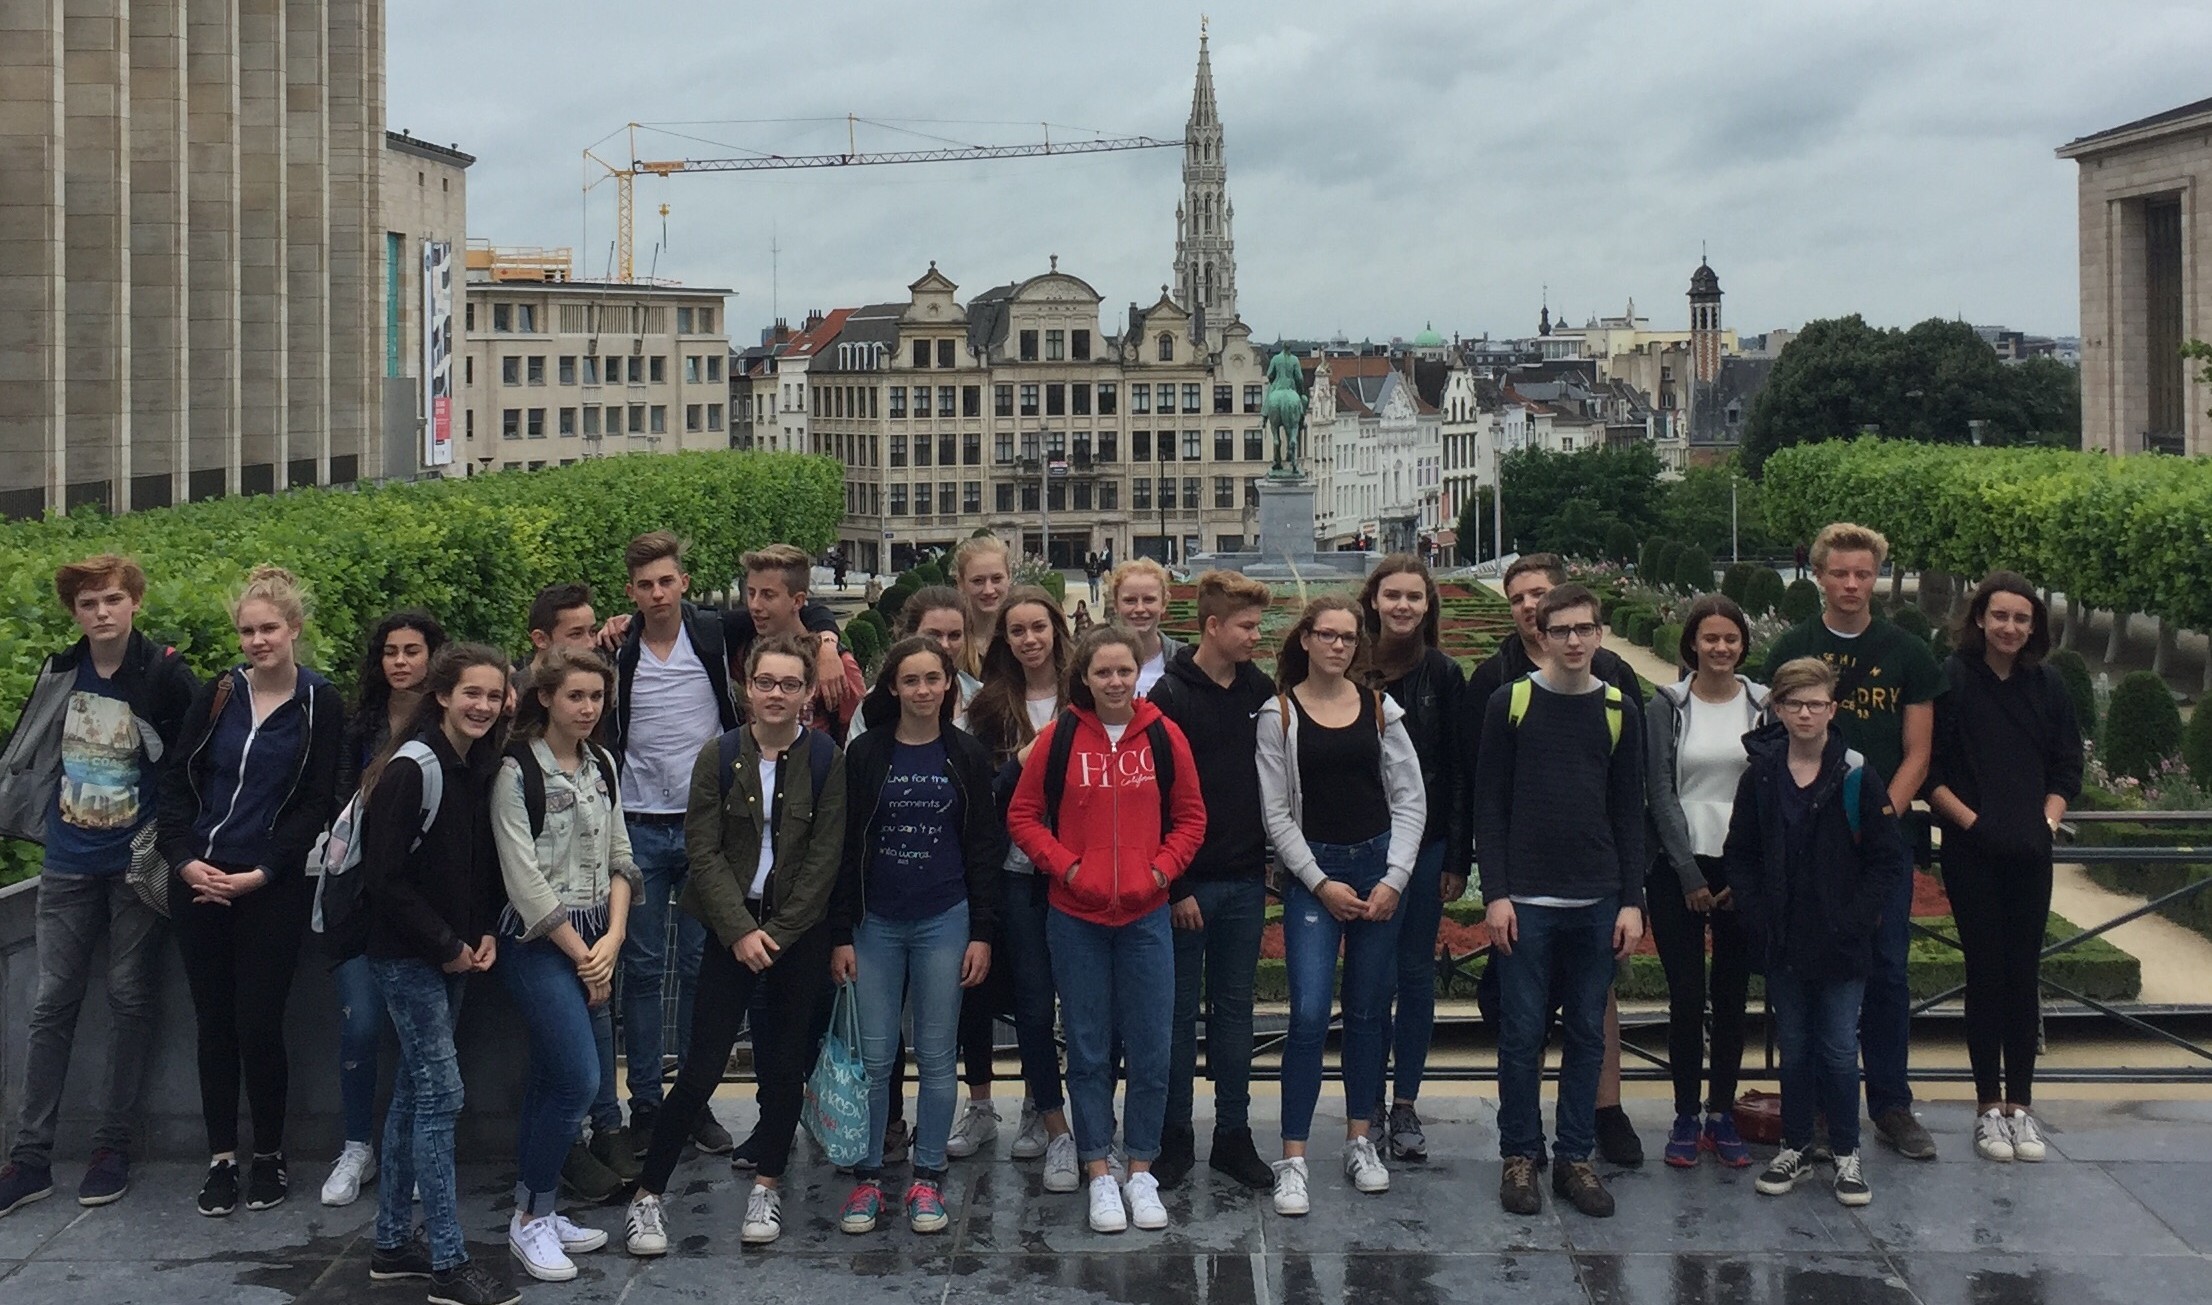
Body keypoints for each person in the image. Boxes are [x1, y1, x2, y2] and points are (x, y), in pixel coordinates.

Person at [606, 531, 835, 1155]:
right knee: (644, 971)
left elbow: (796, 606)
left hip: (712, 828)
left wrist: (833, 640)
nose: (658, 593)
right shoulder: (619, 648)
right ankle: (651, 1105)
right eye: (645, 585)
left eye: (667, 581)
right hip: (639, 826)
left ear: (684, 583)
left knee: (700, 973)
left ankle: (694, 1100)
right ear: (631, 592)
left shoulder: (710, 633)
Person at [624, 636, 846, 1255]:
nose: (777, 695)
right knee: (699, 1068)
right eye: (766, 682)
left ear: (806, 693)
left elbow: (825, 859)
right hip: (730, 929)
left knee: (782, 1068)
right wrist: (741, 931)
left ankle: (767, 1185)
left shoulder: (826, 758)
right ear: (748, 688)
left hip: (795, 935)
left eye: (790, 684)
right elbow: (704, 849)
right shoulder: (719, 755)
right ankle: (648, 1195)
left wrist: (775, 933)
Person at [0, 555, 198, 1217]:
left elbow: (187, 766)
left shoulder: (165, 674)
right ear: (75, 613)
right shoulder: (61, 671)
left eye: (113, 599)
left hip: (134, 862)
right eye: (88, 604)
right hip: (66, 860)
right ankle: (29, 1156)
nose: (102, 612)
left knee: (128, 996)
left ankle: (112, 1146)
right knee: (50, 1000)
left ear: (135, 601)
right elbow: (30, 748)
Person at [155, 565, 343, 1217]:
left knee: (260, 1024)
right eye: (247, 630)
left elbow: (318, 799)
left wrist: (264, 868)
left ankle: (268, 1153)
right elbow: (176, 784)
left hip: (269, 888)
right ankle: (220, 1159)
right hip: (200, 881)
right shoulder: (217, 693)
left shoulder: (321, 702)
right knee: (214, 1026)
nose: (257, 640)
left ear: (294, 629)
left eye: (268, 628)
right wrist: (183, 861)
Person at [1008, 627, 1206, 1235]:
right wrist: (1067, 865)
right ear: (1086, 678)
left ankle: (1140, 1170)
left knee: (1151, 1048)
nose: (1115, 683)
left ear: (1136, 676)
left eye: (1124, 672)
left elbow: (1192, 817)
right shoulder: (1062, 737)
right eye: (1103, 673)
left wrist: (1160, 870)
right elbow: (1021, 814)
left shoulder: (1165, 736)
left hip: (1145, 916)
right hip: (1077, 918)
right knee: (1089, 1049)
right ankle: (1099, 1169)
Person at [1762, 522, 1945, 1161]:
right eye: (1839, 573)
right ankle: (1814, 1110)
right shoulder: (1793, 645)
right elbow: (1773, 740)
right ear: (1818, 575)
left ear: (1876, 577)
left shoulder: (1908, 652)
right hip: (1806, 846)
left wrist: (1875, 817)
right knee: (1807, 968)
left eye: (1862, 574)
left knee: (1889, 971)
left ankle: (1891, 1105)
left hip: (1877, 844)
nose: (1850, 584)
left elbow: (1919, 752)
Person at [1466, 552, 1646, 1166]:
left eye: (1584, 629)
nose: (1573, 640)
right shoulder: (1508, 703)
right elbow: (1488, 807)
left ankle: (1574, 1157)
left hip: (1596, 901)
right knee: (1520, 1039)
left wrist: (1631, 902)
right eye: (1561, 630)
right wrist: (1496, 894)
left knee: (1588, 1039)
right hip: (1529, 902)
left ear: (1600, 633)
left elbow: (1629, 812)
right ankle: (1520, 1154)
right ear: (1540, 634)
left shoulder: (1620, 707)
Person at [356, 644, 518, 1305]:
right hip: (407, 956)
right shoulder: (411, 768)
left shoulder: (476, 763)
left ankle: (393, 1244)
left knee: (415, 1096)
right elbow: (382, 880)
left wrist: (478, 930)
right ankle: (449, 1264)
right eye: (470, 693)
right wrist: (448, 941)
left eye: (492, 694)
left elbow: (473, 863)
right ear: (443, 695)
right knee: (441, 1097)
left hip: (450, 951)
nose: (481, 704)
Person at [1256, 596, 1427, 1216]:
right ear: (1304, 639)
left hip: (1376, 867)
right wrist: (1318, 880)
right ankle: (1294, 1157)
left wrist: (1395, 877)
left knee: (1365, 1012)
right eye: (1327, 635)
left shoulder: (1380, 708)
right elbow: (1276, 813)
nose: (1338, 646)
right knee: (1305, 1014)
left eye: (1349, 638)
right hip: (1315, 875)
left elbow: (1410, 799)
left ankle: (1360, 1140)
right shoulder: (1277, 713)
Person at [830, 638, 1004, 1237]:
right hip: (874, 922)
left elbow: (984, 848)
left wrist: (981, 932)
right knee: (875, 1060)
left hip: (944, 919)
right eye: (912, 680)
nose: (924, 690)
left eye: (934, 679)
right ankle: (870, 1174)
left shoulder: (967, 754)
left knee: (936, 1057)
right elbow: (845, 846)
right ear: (894, 689)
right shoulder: (866, 754)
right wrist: (840, 933)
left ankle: (928, 1175)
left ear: (949, 686)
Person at [1730, 657, 1908, 1210]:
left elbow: (1886, 859)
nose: (1805, 714)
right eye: (1794, 704)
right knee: (1797, 1046)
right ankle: (1796, 1145)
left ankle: (1847, 1152)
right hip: (1785, 937)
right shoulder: (1760, 774)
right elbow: (1741, 854)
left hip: (1841, 941)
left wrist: (1854, 920)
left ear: (1833, 709)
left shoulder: (1856, 773)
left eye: (1816, 704)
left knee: (1835, 1048)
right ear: (1777, 708)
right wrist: (1757, 914)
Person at [1926, 573, 2082, 1164]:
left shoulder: (2049, 686)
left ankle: (2023, 1107)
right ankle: (1987, 1107)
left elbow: (2067, 769)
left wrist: (2045, 821)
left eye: (2022, 619)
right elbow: (1932, 772)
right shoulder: (1954, 679)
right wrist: (1974, 825)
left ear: (2034, 627)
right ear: (1980, 619)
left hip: (2029, 852)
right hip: (1972, 850)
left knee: (2023, 976)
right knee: (1986, 973)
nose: (2010, 628)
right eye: (2000, 616)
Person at [489, 648, 632, 1281]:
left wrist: (614, 940)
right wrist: (585, 957)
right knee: (578, 1077)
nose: (587, 707)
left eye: (596, 697)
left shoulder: (601, 762)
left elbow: (623, 854)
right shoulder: (514, 772)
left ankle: (537, 1207)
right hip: (539, 942)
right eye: (576, 696)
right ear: (546, 698)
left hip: (599, 935)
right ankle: (529, 1224)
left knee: (555, 1076)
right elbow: (524, 883)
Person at [1147, 570, 1279, 1193]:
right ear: (1211, 627)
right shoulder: (1170, 697)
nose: (1257, 635)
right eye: (1247, 627)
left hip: (1246, 877)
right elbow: (1156, 799)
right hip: (1188, 885)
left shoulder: (1260, 688)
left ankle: (1233, 1134)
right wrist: (1175, 886)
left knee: (1234, 1014)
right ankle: (1175, 1135)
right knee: (1173, 1017)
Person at [322, 609, 448, 1208]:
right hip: (358, 898)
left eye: (413, 650)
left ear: (434, 657)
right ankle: (357, 1146)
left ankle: (415, 1151)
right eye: (390, 651)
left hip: (424, 900)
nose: (400, 661)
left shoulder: (448, 723)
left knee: (421, 1037)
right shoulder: (359, 726)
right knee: (363, 1023)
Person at [1644, 596, 1768, 1170]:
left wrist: (1745, 872)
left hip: (1741, 867)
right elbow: (1662, 794)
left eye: (1731, 638)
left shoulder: (1763, 705)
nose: (1720, 648)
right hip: (1680, 867)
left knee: (1732, 996)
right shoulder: (1667, 705)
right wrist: (1689, 874)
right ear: (1691, 643)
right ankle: (1686, 1114)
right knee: (1688, 998)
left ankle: (1723, 1113)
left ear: (1743, 644)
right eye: (1709, 638)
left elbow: (1770, 792)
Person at [1356, 555, 1472, 1162]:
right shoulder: (1345, 661)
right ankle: (1366, 1103)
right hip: (1357, 843)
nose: (1403, 606)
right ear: (1373, 600)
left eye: (1414, 598)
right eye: (1392, 596)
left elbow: (1458, 769)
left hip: (1424, 846)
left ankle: (1404, 1104)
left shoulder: (1444, 674)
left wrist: (1458, 853)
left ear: (1429, 607)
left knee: (1415, 975)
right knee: (1368, 980)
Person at [964, 587, 1079, 1187]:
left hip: (1082, 871)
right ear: (1005, 641)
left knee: (1084, 1005)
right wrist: (1027, 758)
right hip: (1018, 873)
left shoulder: (1085, 696)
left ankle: (1076, 1115)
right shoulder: (988, 707)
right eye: (1017, 631)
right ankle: (1045, 1109)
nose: (1030, 640)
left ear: (1057, 630)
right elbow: (986, 801)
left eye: (1039, 628)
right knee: (1033, 1002)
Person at [740, 544, 864, 737]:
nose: (755, 605)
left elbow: (857, 733)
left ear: (797, 601)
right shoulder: (743, 648)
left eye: (768, 595)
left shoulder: (837, 663)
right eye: (751, 593)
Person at [1107, 558, 1183, 696]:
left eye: (1149, 599)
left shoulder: (1185, 661)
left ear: (1164, 603)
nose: (1140, 608)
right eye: (1130, 600)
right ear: (1116, 605)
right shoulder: (1095, 660)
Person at [952, 535, 1014, 679]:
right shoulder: (951, 643)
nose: (988, 590)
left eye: (996, 579)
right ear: (960, 583)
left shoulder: (1024, 638)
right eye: (978, 581)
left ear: (1009, 577)